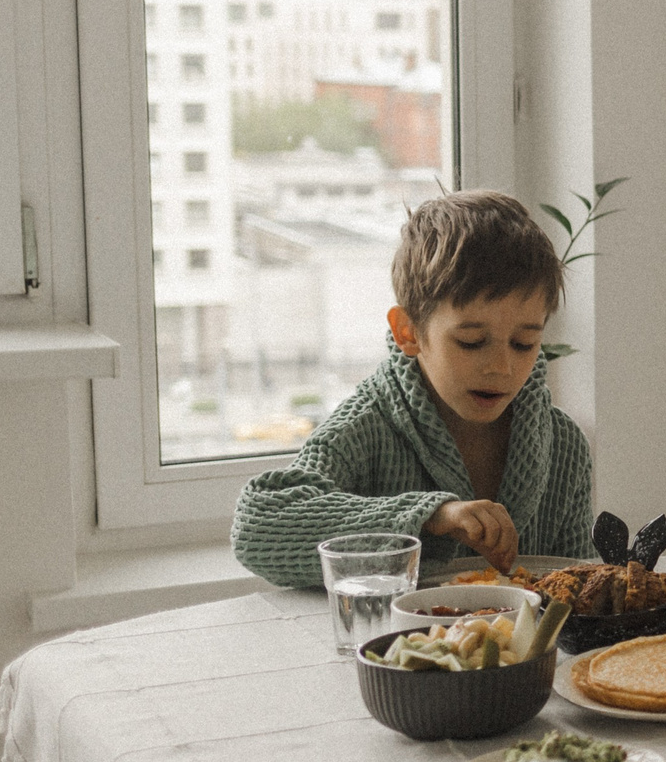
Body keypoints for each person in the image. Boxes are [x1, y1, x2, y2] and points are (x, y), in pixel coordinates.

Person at [232, 190, 595, 589]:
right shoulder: (366, 428)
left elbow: (578, 591)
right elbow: (257, 527)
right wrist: (430, 515)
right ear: (408, 332)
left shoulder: (564, 445)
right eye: (471, 342)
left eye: (524, 343)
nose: (502, 367)